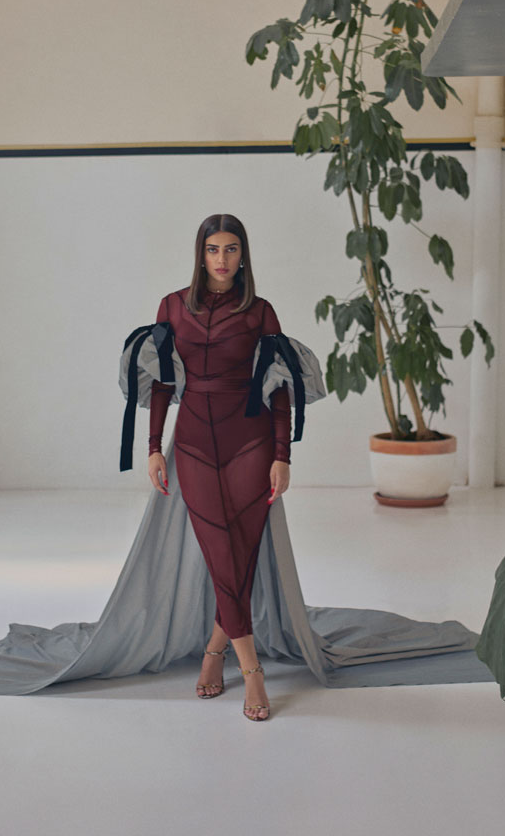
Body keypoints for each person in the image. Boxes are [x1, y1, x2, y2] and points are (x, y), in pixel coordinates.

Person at [145, 212, 291, 721]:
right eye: (213, 249)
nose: (222, 259)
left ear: (243, 255)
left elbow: (279, 388)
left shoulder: (261, 312)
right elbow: (162, 382)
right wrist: (154, 446)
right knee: (219, 553)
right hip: (194, 444)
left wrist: (282, 455)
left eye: (231, 249)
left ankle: (217, 652)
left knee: (240, 555)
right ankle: (251, 670)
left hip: (251, 442)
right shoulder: (172, 306)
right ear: (200, 254)